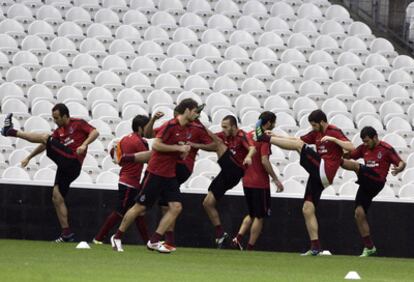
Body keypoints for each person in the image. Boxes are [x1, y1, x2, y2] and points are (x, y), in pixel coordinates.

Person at [255, 109, 354, 255]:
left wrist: (334, 140)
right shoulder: (316, 133)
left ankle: (263, 137)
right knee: (307, 208)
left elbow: (351, 147)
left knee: (299, 147)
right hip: (318, 175)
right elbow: (297, 140)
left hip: (325, 170)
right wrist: (277, 136)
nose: (313, 128)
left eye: (314, 125)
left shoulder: (333, 131)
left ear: (322, 122)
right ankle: (315, 248)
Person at [110, 99, 202, 253]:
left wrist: (183, 152)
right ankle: (117, 236)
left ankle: (154, 240)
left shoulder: (187, 129)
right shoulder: (170, 125)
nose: (196, 114)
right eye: (194, 111)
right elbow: (155, 144)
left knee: (176, 207)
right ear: (185, 111)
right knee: (139, 207)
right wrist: (178, 149)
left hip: (170, 174)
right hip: (157, 172)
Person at [1, 104, 99, 242]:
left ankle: (10, 132)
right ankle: (66, 234)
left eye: (57, 118)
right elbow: (44, 144)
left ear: (65, 116)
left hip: (73, 161)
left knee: (46, 138)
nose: (55, 120)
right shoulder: (59, 131)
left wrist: (84, 145)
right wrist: (29, 157)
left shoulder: (78, 123)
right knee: (56, 197)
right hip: (65, 166)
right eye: (53, 118)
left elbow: (95, 132)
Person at [143, 106, 215, 251]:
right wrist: (153, 119)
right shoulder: (172, 126)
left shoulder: (195, 127)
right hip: (170, 166)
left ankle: (127, 158)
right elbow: (149, 135)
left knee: (166, 204)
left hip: (180, 167)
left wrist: (194, 145)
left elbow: (214, 144)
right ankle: (167, 241)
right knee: (169, 206)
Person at [341, 126, 405, 257]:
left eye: (367, 141)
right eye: (363, 141)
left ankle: (332, 161)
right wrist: (340, 152)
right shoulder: (364, 148)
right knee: (359, 213)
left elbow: (401, 162)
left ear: (375, 137)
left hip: (377, 180)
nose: (365, 144)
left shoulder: (386, 148)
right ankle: (369, 247)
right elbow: (350, 154)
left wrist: (398, 169)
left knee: (355, 166)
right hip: (366, 182)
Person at [93, 115, 152, 245]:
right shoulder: (140, 142)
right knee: (121, 211)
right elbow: (150, 159)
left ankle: (148, 242)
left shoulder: (124, 139)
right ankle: (98, 238)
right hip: (130, 182)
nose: (150, 130)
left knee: (138, 212)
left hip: (125, 180)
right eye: (148, 127)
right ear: (140, 128)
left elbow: (117, 159)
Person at [231, 111, 283, 251]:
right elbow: (264, 160)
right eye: (273, 123)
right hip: (259, 182)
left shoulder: (248, 135)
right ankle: (250, 248)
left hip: (247, 180)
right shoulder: (264, 138)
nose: (274, 125)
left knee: (252, 213)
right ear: (268, 123)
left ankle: (238, 238)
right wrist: (275, 179)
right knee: (259, 216)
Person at [203, 115, 256, 248]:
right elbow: (211, 144)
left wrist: (249, 157)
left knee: (218, 142)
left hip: (236, 170)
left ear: (233, 126)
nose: (223, 129)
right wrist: (194, 145)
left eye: (226, 127)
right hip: (226, 172)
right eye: (222, 126)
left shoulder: (241, 135)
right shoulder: (224, 136)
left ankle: (198, 123)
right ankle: (220, 234)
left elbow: (252, 148)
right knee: (207, 203)